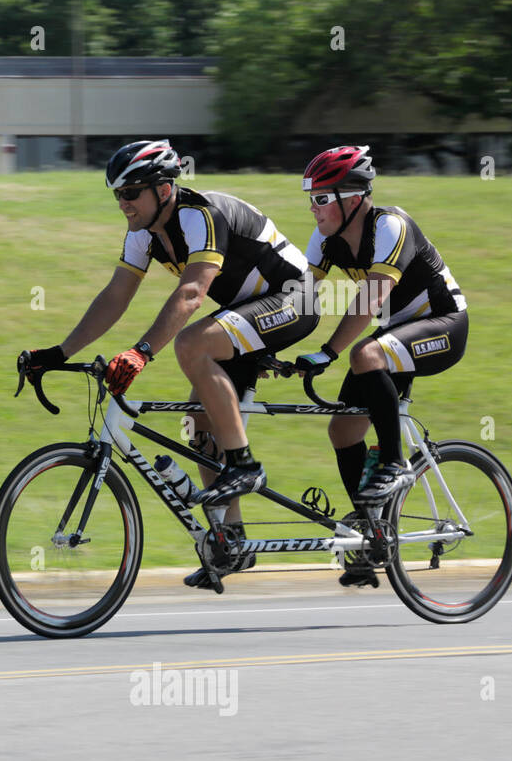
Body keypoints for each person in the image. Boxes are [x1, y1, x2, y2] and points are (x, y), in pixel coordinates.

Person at [24, 139, 319, 588]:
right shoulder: (144, 231)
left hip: (294, 299)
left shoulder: (200, 214)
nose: (123, 204)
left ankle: (245, 466)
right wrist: (59, 352)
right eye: (117, 195)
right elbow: (116, 296)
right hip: (244, 313)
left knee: (190, 345)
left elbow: (191, 295)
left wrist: (141, 353)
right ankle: (231, 543)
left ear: (163, 189)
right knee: (199, 420)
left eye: (131, 193)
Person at [293, 144, 468, 587]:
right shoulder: (325, 240)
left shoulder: (390, 226)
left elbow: (371, 299)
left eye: (319, 198)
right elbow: (300, 301)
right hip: (397, 337)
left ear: (351, 198)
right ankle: (372, 535)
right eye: (310, 198)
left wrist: (329, 352)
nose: (313, 208)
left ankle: (393, 464)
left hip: (443, 325)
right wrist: (264, 352)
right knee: (343, 430)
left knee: (364, 353)